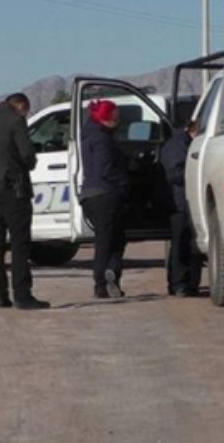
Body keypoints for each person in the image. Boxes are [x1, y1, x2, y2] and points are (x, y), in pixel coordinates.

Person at [0, 93, 50, 310]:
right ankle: (23, 295)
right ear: (22, 106)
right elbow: (27, 154)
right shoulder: (16, 121)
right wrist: (28, 163)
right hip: (13, 188)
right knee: (19, 243)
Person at [80, 100, 129, 299]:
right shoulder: (102, 139)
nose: (118, 121)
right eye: (116, 118)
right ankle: (105, 278)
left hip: (89, 194)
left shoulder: (89, 136)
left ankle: (107, 277)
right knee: (111, 241)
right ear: (106, 119)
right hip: (105, 194)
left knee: (106, 239)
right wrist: (124, 181)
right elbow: (105, 169)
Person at [160, 120, 203, 297]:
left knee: (183, 244)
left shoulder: (180, 143)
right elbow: (174, 173)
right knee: (181, 244)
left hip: (183, 200)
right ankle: (179, 283)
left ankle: (182, 283)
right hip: (179, 201)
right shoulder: (178, 144)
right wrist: (196, 173)